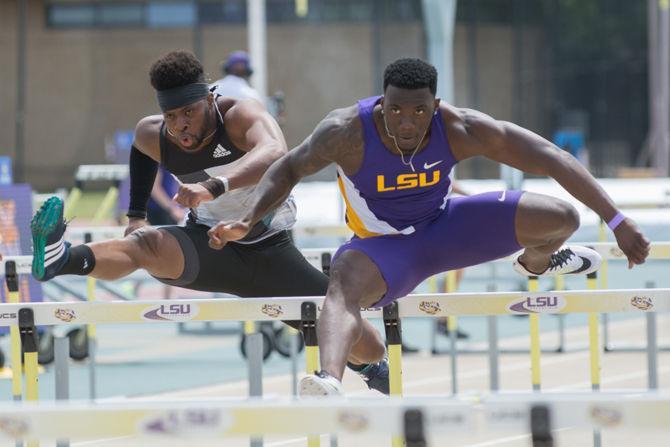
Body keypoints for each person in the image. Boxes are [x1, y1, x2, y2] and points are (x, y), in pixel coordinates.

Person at [206, 58, 651, 396]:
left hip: (446, 227)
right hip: (384, 248)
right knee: (342, 282)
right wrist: (247, 219)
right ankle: (329, 380)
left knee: (562, 217)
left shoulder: (460, 127)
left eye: (418, 112)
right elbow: (286, 169)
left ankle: (537, 264)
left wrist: (616, 219)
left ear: (434, 107)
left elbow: (552, 157)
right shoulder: (345, 131)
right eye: (395, 110)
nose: (405, 122)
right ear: (381, 103)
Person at [29, 50, 389, 394]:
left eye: (190, 112)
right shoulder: (154, 134)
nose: (181, 125)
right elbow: (140, 150)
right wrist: (136, 216)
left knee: (370, 347)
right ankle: (61, 259)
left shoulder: (239, 116)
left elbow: (275, 152)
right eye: (171, 117)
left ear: (210, 99)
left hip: (271, 253)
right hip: (210, 248)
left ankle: (368, 370)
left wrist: (215, 186)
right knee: (146, 245)